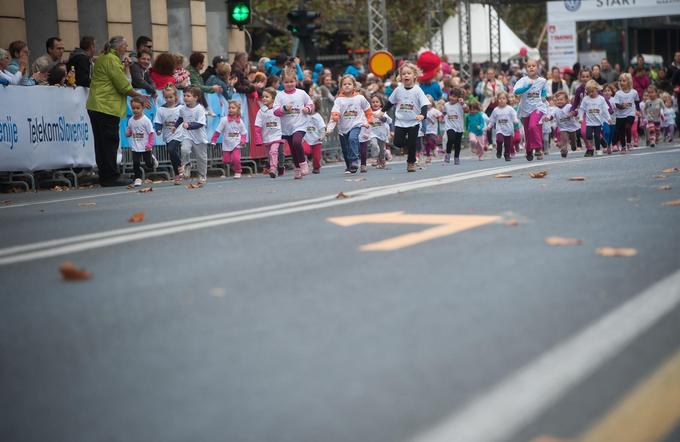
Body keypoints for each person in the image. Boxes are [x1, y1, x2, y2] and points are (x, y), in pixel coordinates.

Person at [86, 36, 149, 187]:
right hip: (106, 106)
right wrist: (139, 95)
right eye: (125, 46)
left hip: (96, 105)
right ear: (118, 47)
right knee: (110, 142)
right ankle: (111, 176)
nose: (126, 49)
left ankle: (105, 175)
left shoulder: (104, 58)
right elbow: (123, 85)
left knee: (101, 144)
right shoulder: (112, 60)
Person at [382, 62, 429, 172]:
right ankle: (408, 145)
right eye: (403, 74)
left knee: (412, 143)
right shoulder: (398, 90)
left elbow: (424, 104)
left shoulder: (418, 90)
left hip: (414, 121)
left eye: (409, 73)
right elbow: (390, 102)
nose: (406, 75)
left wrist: (423, 115)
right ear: (401, 77)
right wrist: (382, 111)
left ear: (414, 76)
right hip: (400, 121)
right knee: (397, 142)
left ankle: (411, 163)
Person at [273, 68, 314, 179]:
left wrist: (307, 109)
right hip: (287, 126)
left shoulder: (301, 93)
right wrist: (284, 108)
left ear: (295, 81)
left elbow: (311, 104)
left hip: (300, 124)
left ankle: (303, 163)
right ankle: (297, 168)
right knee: (292, 147)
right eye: (286, 82)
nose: (289, 84)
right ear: (282, 83)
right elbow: (275, 111)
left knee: (297, 142)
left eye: (291, 81)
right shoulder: (280, 95)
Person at [327, 74, 372, 174]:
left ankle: (355, 161)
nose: (347, 86)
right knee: (345, 148)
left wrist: (368, 120)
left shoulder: (360, 98)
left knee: (353, 139)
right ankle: (349, 166)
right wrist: (330, 127)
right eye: (344, 84)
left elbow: (367, 109)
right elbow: (334, 113)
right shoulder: (339, 100)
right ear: (341, 87)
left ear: (354, 86)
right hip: (343, 128)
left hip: (356, 125)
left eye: (349, 84)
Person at [513, 58, 549, 161]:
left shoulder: (542, 80)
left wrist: (543, 96)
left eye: (533, 65)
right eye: (529, 66)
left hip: (538, 107)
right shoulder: (523, 81)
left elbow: (543, 90)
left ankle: (538, 148)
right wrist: (526, 87)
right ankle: (529, 151)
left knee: (533, 126)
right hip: (525, 109)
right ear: (526, 69)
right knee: (528, 132)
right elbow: (516, 92)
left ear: (537, 68)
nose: (531, 67)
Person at [176, 86, 208, 185]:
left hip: (199, 137)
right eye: (184, 95)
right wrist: (175, 126)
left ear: (195, 97)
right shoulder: (182, 108)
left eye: (188, 96)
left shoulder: (200, 109)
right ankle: (187, 164)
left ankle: (202, 175)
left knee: (201, 158)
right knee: (184, 149)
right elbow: (181, 119)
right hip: (187, 136)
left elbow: (200, 124)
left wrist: (189, 125)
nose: (185, 97)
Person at [154, 84, 184, 184]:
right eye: (166, 97)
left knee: (171, 149)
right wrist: (158, 129)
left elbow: (187, 118)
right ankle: (177, 175)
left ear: (176, 96)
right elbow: (158, 122)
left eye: (171, 97)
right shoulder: (161, 110)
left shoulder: (181, 108)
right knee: (171, 154)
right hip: (167, 135)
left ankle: (180, 166)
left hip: (178, 134)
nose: (169, 99)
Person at [211, 100, 247, 179]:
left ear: (238, 110)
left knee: (236, 159)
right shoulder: (224, 120)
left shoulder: (240, 121)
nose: (230, 109)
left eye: (233, 108)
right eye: (229, 108)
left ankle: (238, 171)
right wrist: (214, 140)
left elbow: (244, 132)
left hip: (236, 143)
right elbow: (218, 131)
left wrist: (243, 140)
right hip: (227, 143)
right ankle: (233, 164)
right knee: (226, 161)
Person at [254, 87, 285, 178]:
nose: (264, 98)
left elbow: (285, 118)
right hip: (267, 137)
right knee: (270, 155)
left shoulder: (278, 109)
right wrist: (258, 138)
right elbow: (257, 126)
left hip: (278, 135)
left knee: (274, 152)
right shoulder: (261, 111)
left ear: (273, 99)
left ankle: (273, 169)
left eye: (267, 97)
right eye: (263, 97)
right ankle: (279, 166)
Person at [125, 96, 155, 187]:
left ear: (143, 108)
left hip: (145, 146)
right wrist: (128, 133)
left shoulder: (146, 120)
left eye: (138, 108)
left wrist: (150, 144)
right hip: (135, 146)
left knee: (149, 164)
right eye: (133, 108)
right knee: (136, 163)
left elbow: (151, 133)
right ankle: (138, 178)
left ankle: (153, 160)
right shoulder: (130, 120)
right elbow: (130, 130)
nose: (135, 110)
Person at [578, 80, 612, 156]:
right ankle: (601, 141)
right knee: (588, 136)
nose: (590, 93)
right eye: (588, 92)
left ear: (596, 89)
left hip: (598, 122)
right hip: (589, 122)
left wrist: (608, 118)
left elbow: (605, 110)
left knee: (597, 137)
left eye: (592, 91)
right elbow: (582, 109)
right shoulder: (585, 99)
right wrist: (581, 118)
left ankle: (598, 149)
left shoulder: (601, 99)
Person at [361, 94, 392, 169]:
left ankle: (381, 160)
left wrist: (381, 117)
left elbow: (389, 121)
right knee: (374, 145)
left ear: (380, 103)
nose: (375, 103)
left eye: (377, 102)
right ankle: (375, 158)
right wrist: (365, 133)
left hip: (382, 133)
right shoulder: (369, 112)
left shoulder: (382, 112)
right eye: (373, 102)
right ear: (370, 104)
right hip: (372, 133)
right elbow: (365, 122)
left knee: (382, 149)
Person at [487, 91, 519, 161]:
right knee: (499, 140)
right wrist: (489, 126)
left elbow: (514, 115)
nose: (501, 100)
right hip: (499, 129)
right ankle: (499, 151)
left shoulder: (510, 109)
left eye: (503, 98)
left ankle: (507, 155)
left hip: (508, 129)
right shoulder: (496, 110)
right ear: (497, 100)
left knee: (507, 144)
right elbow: (492, 119)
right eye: (500, 98)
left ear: (507, 100)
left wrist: (515, 120)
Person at [612, 73, 640, 152]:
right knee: (621, 131)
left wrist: (638, 110)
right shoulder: (618, 93)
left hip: (630, 114)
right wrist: (622, 106)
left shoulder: (634, 92)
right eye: (620, 81)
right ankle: (623, 146)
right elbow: (616, 104)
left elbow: (637, 101)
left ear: (629, 82)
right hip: (620, 115)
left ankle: (629, 142)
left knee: (627, 127)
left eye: (624, 81)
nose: (621, 82)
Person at [551, 91, 580, 157]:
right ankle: (564, 150)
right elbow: (551, 115)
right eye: (558, 100)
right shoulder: (555, 109)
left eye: (561, 99)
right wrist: (549, 118)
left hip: (572, 127)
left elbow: (575, 111)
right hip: (563, 128)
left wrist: (572, 113)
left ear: (566, 100)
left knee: (573, 139)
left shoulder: (569, 106)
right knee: (564, 139)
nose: (559, 101)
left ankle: (573, 144)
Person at [302, 97, 326, 174]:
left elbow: (322, 127)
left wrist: (322, 136)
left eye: (312, 105)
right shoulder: (303, 115)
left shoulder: (318, 117)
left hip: (316, 140)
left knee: (316, 157)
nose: (310, 107)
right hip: (306, 139)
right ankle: (309, 156)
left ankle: (316, 167)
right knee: (305, 150)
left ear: (316, 106)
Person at [442, 87, 465, 164]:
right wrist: (443, 117)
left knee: (457, 144)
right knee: (451, 139)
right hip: (450, 126)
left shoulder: (460, 105)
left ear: (458, 98)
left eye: (454, 97)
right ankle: (448, 154)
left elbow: (467, 109)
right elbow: (444, 112)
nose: (451, 97)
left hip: (459, 127)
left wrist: (463, 103)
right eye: (451, 95)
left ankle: (456, 157)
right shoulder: (446, 105)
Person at [423, 95, 443, 163]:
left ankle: (434, 148)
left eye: (429, 102)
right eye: (426, 102)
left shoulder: (434, 111)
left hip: (432, 130)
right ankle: (428, 156)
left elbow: (440, 116)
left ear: (432, 103)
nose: (428, 104)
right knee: (426, 143)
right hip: (425, 130)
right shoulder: (423, 111)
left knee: (431, 141)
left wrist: (439, 119)